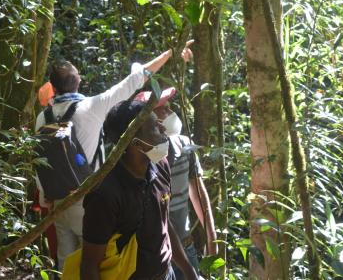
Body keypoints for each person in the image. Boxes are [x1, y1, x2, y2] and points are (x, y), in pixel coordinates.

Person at [35, 43, 193, 269]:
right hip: (90, 200)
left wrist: (45, 196)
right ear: (78, 81)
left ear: (53, 87)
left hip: (59, 199)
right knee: (95, 261)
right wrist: (169, 54)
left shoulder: (43, 117)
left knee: (66, 261)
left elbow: (39, 158)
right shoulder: (91, 107)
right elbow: (134, 80)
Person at [80, 100, 198, 280]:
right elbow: (89, 264)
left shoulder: (160, 166)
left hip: (167, 274)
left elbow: (164, 222)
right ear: (136, 143)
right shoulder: (104, 194)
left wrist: (189, 271)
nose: (163, 129)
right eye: (154, 127)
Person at [136, 88, 217, 279]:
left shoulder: (185, 146)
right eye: (163, 109)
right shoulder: (139, 158)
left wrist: (211, 236)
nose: (170, 112)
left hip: (185, 246)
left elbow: (198, 193)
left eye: (169, 107)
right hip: (153, 253)